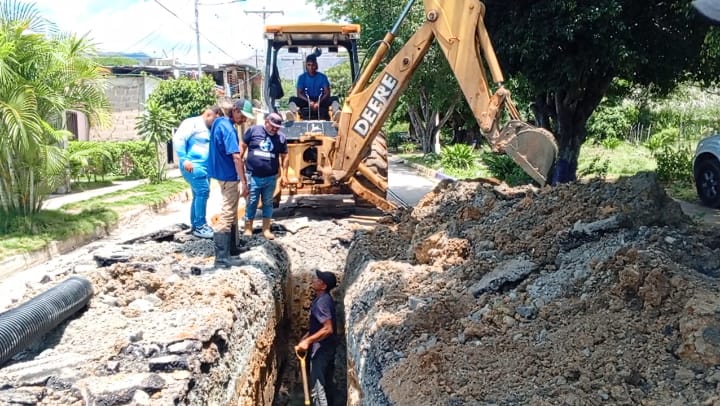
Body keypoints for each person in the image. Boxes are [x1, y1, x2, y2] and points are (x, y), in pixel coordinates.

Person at [208, 98, 254, 268]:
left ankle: (233, 249)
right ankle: (221, 259)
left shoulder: (220, 123)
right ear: (235, 110)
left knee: (233, 212)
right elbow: (236, 157)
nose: (244, 120)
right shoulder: (227, 128)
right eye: (242, 116)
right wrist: (244, 182)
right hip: (228, 175)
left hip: (222, 173)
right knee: (227, 215)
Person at [173, 106, 222, 239]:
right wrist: (184, 159)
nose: (215, 123)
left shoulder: (209, 128)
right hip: (193, 165)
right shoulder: (192, 123)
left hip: (205, 168)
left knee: (198, 195)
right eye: (214, 120)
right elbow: (178, 139)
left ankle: (195, 225)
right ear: (208, 114)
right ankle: (200, 226)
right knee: (203, 192)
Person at [240, 112, 289, 240]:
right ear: (266, 122)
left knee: (268, 203)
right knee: (251, 202)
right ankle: (248, 229)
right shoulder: (253, 131)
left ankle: (266, 229)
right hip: (253, 176)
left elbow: (285, 157)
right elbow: (242, 148)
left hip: (271, 177)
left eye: (277, 127)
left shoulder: (281, 138)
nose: (275, 129)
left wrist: (284, 175)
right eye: (272, 126)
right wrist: (238, 167)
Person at [296, 270, 338, 406]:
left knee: (317, 389)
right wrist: (307, 336)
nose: (314, 279)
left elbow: (328, 328)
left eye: (318, 279)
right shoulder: (323, 299)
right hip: (327, 348)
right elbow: (319, 327)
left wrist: (308, 341)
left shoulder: (321, 303)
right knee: (326, 384)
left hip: (321, 351)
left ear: (323, 286)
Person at [288, 54, 340, 120]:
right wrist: (310, 102)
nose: (311, 67)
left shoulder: (322, 77)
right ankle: (292, 115)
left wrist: (318, 102)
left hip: (321, 100)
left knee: (335, 99)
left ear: (316, 65)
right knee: (292, 99)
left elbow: (327, 92)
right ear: (306, 66)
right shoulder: (302, 78)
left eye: (313, 65)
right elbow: (299, 93)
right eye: (309, 65)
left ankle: (336, 114)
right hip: (306, 100)